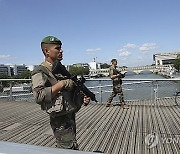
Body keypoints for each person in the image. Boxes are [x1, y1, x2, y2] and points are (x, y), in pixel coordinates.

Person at [31, 36, 90, 150]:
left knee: (69, 145)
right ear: (46, 51)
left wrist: (81, 99)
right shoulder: (40, 71)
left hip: (69, 114)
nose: (61, 50)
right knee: (67, 148)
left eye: (61, 48)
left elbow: (67, 93)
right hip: (59, 119)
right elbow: (39, 96)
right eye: (57, 48)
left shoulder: (59, 68)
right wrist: (61, 84)